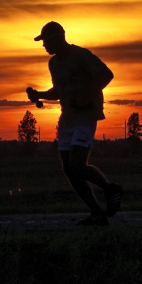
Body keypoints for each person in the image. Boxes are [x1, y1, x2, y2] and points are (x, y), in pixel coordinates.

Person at [26, 21, 123, 226]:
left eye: (46, 41)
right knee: (69, 170)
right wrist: (39, 95)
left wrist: (87, 96)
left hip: (85, 117)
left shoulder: (80, 55)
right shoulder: (53, 64)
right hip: (67, 119)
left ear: (58, 38)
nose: (44, 46)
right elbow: (59, 91)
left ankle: (110, 190)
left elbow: (107, 74)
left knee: (77, 165)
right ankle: (97, 214)